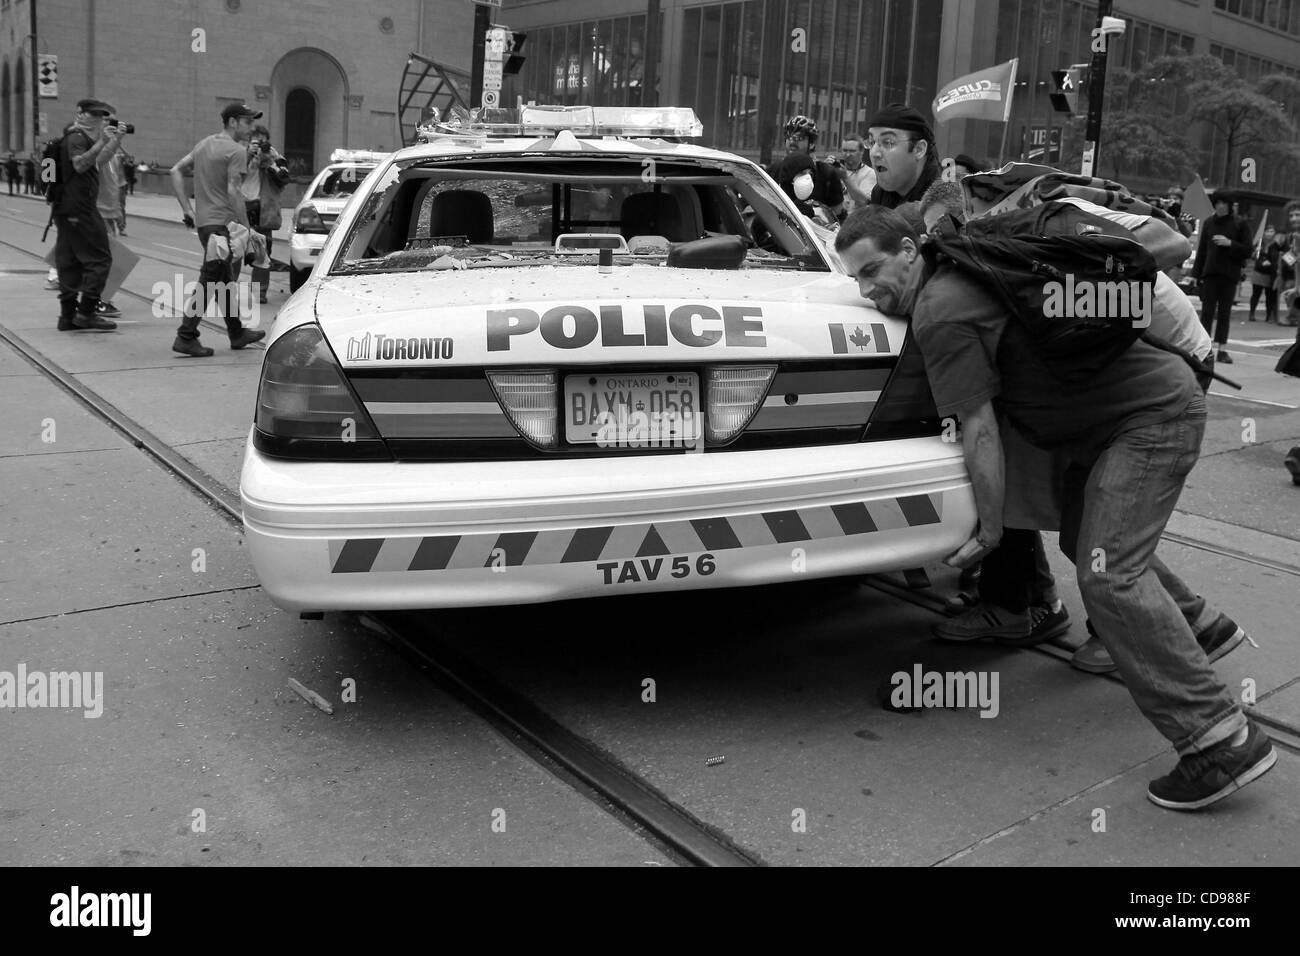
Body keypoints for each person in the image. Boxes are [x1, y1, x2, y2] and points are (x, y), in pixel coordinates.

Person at [834, 205, 1275, 811]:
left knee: (1109, 573)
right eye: (855, 278)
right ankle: (1199, 625)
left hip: (1150, 421)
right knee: (1083, 541)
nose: (868, 288)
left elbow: (979, 430)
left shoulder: (941, 309)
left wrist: (990, 532)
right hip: (1121, 421)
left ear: (911, 251)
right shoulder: (967, 269)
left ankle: (1217, 740)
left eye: (874, 269)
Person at [169, 102, 267, 357]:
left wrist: (187, 209)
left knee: (221, 280)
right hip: (221, 227)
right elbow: (235, 191)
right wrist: (248, 228)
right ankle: (186, 335)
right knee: (210, 281)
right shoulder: (235, 151)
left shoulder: (204, 144)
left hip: (205, 224)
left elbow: (176, 170)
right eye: (247, 122)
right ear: (233, 122)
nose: (251, 127)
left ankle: (236, 333)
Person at [52, 98, 122, 332]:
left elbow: (97, 162)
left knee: (70, 262)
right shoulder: (76, 137)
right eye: (93, 114)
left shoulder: (83, 139)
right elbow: (80, 164)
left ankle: (67, 317)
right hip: (79, 209)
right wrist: (102, 140)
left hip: (68, 209)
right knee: (101, 259)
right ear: (80, 114)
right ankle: (87, 312)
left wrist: (113, 141)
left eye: (101, 116)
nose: (98, 119)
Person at [1191, 191, 1252, 364]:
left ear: (1230, 205)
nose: (1220, 206)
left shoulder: (1240, 224)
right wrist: (1195, 275)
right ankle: (1204, 349)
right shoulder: (1209, 223)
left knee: (1224, 313)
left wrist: (1230, 243)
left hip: (1229, 275)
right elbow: (1202, 250)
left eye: (1224, 203)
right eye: (1217, 203)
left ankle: (1222, 349)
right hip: (1210, 273)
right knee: (1207, 313)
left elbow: (1248, 250)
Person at [240, 125, 290, 304]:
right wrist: (248, 155)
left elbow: (284, 179)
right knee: (234, 251)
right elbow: (231, 175)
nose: (259, 146)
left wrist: (271, 161)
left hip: (264, 213)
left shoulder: (276, 158)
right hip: (241, 209)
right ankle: (224, 290)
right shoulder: (239, 156)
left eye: (262, 142)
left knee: (262, 253)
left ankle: (259, 292)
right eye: (255, 142)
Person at [767, 116, 844, 221]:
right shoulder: (774, 170)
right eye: (789, 137)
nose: (792, 142)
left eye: (799, 138)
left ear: (811, 144)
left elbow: (837, 215)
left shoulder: (827, 173)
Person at [865, 103, 940, 209]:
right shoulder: (879, 194)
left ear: (919, 149)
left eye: (888, 142)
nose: (874, 153)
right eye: (872, 142)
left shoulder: (944, 202)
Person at [833, 132, 876, 214]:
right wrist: (825, 171)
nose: (848, 154)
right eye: (845, 150)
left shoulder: (870, 173)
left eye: (852, 151)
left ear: (862, 151)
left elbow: (863, 201)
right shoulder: (835, 170)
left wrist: (845, 178)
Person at [1248, 224, 1279, 323]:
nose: (1269, 233)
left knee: (1269, 296)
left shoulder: (1276, 245)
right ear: (1264, 233)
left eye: (1271, 231)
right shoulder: (1259, 243)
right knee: (1255, 294)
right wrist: (1255, 252)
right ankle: (1252, 313)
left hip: (1270, 274)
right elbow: (1252, 257)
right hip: (1258, 273)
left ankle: (1269, 315)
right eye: (1267, 231)